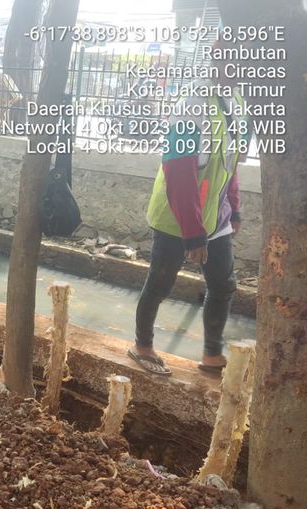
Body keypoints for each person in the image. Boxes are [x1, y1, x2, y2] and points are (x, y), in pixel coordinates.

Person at [129, 43, 249, 376]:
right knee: (161, 282)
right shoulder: (192, 105)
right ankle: (142, 345)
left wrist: (234, 209)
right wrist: (193, 232)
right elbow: (179, 170)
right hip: (176, 215)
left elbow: (231, 161)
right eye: (236, 58)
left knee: (223, 284)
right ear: (218, 58)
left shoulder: (236, 104)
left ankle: (213, 354)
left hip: (216, 214)